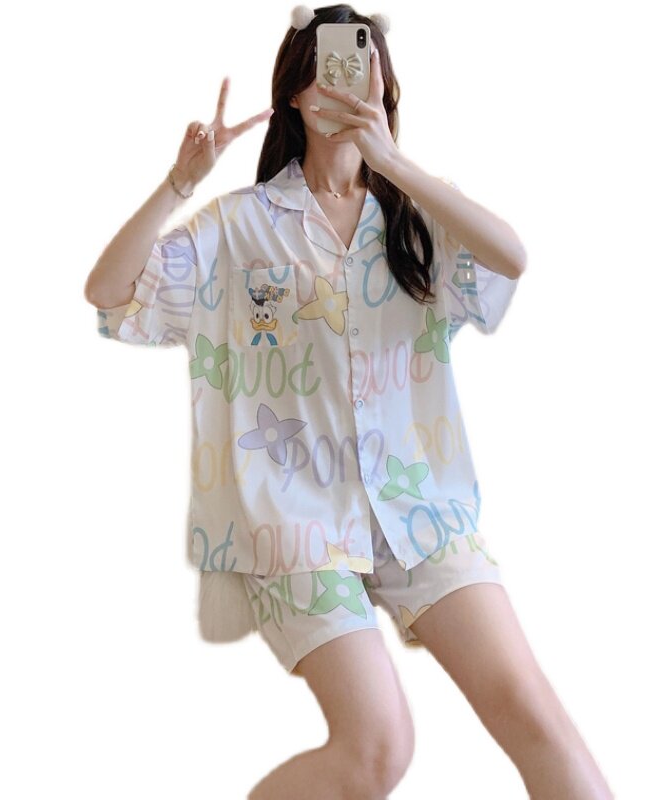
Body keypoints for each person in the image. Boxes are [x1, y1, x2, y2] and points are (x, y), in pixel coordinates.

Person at [85, 4, 615, 799]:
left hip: (419, 505)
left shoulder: (417, 213)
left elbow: (512, 257)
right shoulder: (243, 226)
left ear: (384, 85)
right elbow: (107, 291)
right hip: (296, 521)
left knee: (534, 712)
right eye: (327, 68)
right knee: (378, 746)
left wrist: (391, 160)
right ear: (296, 92)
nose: (346, 82)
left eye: (363, 67)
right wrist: (179, 184)